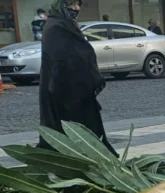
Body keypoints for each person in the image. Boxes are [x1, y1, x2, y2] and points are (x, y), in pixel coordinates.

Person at [38, 0, 118, 156]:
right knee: (71, 134)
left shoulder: (64, 24)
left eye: (78, 4)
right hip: (65, 91)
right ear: (61, 5)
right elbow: (64, 59)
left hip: (75, 89)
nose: (76, 8)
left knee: (84, 132)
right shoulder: (56, 27)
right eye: (72, 5)